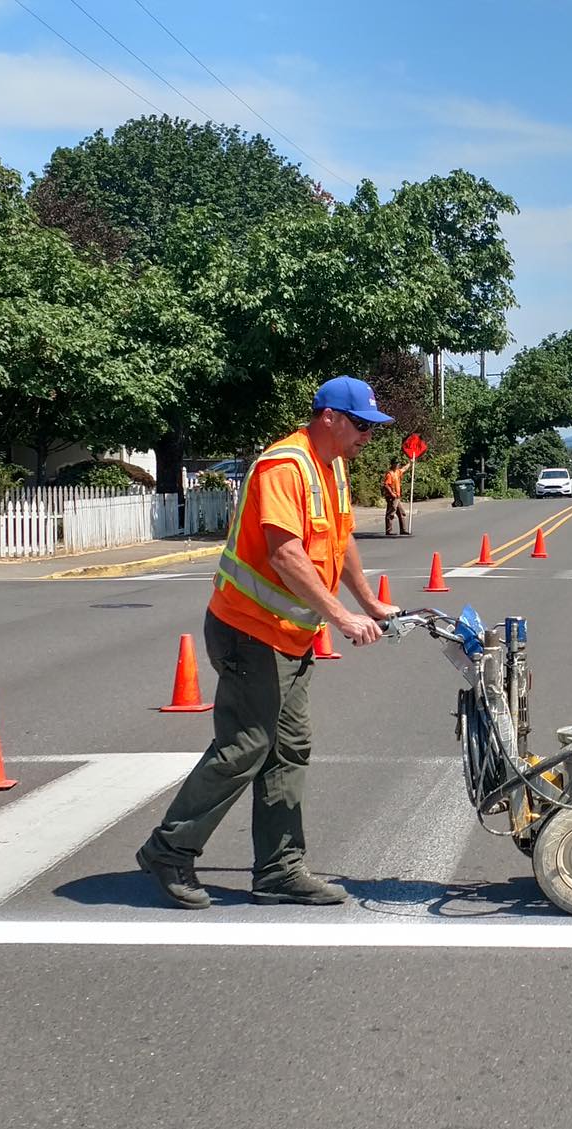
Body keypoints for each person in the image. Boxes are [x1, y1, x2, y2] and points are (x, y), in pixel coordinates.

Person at [135, 375, 399, 909]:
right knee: (246, 747)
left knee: (289, 747)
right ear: (330, 417)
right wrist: (342, 617)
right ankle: (170, 849)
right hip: (248, 632)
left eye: (372, 428)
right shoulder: (285, 466)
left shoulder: (333, 468)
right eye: (362, 425)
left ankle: (279, 870)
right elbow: (285, 554)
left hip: (289, 636)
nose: (368, 437)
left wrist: (368, 601)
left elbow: (340, 538)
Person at [382, 458, 412, 536]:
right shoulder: (390, 474)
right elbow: (386, 485)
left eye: (398, 464)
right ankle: (388, 531)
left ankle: (403, 530)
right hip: (392, 497)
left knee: (401, 513)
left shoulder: (398, 472)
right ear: (392, 464)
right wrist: (392, 493)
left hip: (397, 497)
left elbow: (404, 469)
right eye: (396, 463)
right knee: (391, 513)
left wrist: (410, 463)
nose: (397, 465)